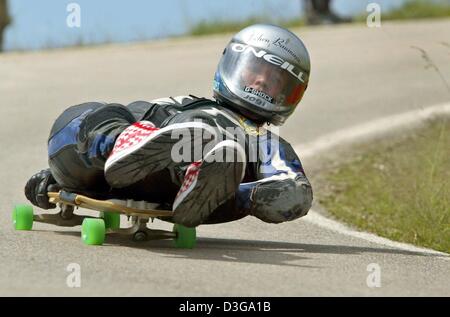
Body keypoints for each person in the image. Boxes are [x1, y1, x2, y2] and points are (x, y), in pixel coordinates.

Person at [25, 24, 313, 228]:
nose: (261, 82)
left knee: (223, 146)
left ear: (290, 93)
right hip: (113, 168)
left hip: (184, 189)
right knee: (90, 114)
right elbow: (116, 116)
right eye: (255, 71)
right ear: (233, 64)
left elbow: (295, 192)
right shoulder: (181, 102)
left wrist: (238, 193)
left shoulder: (266, 140)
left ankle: (198, 177)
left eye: (274, 79)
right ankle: (126, 144)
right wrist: (56, 177)